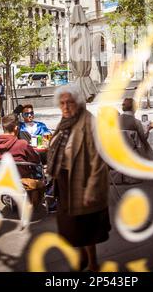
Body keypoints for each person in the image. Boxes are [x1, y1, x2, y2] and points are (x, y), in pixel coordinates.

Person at [47, 84, 111, 272]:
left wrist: (92, 187)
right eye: (62, 103)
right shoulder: (65, 121)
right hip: (65, 181)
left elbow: (99, 158)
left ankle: (92, 263)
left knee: (86, 227)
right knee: (71, 226)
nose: (65, 107)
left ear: (79, 102)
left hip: (82, 182)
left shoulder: (89, 122)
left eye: (70, 103)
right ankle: (82, 257)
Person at [0, 114, 44, 207]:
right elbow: (36, 160)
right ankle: (35, 201)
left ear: (3, 127)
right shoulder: (22, 144)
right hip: (21, 182)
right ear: (16, 128)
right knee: (38, 169)